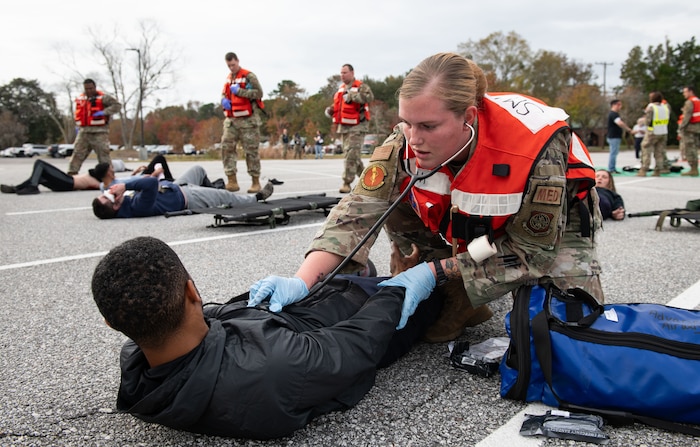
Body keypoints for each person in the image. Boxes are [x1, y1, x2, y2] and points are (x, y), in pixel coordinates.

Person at [249, 53, 604, 343]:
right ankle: (457, 294)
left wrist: (432, 273)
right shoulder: (404, 142)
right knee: (394, 202)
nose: (414, 139)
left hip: (549, 228)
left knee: (566, 337)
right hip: (477, 229)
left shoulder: (534, 150)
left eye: (428, 127)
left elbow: (532, 252)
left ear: (468, 118)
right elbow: (356, 212)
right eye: (407, 123)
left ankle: (454, 283)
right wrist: (302, 279)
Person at [91, 236, 441, 439]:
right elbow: (360, 341)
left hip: (312, 305)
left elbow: (210, 318)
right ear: (192, 291)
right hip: (359, 312)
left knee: (354, 267)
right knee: (438, 286)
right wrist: (407, 284)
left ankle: (373, 274)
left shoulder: (141, 366)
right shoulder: (275, 366)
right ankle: (399, 276)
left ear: (112, 323)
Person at [91, 166, 273, 219]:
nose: (112, 190)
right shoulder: (137, 207)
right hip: (188, 197)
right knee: (226, 197)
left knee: (198, 170)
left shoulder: (124, 202)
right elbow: (151, 184)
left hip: (178, 186)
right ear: (115, 205)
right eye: (109, 194)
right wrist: (125, 187)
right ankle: (256, 198)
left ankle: (212, 190)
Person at [219, 52, 265, 193]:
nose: (231, 68)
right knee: (226, 148)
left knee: (251, 151)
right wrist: (223, 100)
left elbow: (259, 93)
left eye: (233, 65)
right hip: (232, 120)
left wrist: (240, 92)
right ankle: (232, 181)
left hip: (248, 121)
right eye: (229, 66)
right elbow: (224, 93)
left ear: (237, 61)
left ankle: (255, 182)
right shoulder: (228, 78)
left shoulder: (249, 76)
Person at [325, 64, 374, 193]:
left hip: (358, 126)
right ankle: (370, 181)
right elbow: (338, 106)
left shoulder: (361, 86)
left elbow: (369, 97)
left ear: (352, 73)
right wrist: (331, 110)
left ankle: (346, 183)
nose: (342, 75)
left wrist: (352, 96)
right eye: (341, 73)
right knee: (352, 155)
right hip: (344, 127)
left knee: (351, 155)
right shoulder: (341, 89)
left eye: (345, 72)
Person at [67, 79, 121, 175]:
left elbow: (117, 105)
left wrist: (104, 112)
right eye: (86, 89)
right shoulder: (81, 98)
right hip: (84, 131)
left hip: (100, 132)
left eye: (91, 88)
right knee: (77, 153)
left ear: (95, 87)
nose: (89, 91)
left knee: (103, 155)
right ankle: (72, 174)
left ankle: (108, 175)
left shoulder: (104, 98)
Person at [1, 159, 110, 195]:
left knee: (40, 163)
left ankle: (33, 186)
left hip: (68, 183)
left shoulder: (97, 181)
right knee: (40, 176)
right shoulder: (93, 175)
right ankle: (16, 188)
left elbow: (104, 186)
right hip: (66, 182)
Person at [638, 91, 670, 177]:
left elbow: (648, 121)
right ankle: (658, 170)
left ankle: (644, 169)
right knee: (659, 152)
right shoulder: (665, 107)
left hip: (652, 132)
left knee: (646, 150)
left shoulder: (651, 107)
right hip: (663, 131)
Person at [606, 99, 633, 174]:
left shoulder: (614, 114)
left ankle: (612, 168)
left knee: (614, 153)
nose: (620, 106)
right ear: (614, 105)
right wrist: (628, 129)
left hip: (614, 136)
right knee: (613, 153)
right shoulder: (613, 114)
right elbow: (619, 123)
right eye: (618, 104)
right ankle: (611, 169)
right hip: (614, 136)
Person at [679, 85, 700, 176]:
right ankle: (694, 168)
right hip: (697, 127)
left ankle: (693, 168)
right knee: (694, 147)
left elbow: (687, 116)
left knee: (689, 148)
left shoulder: (689, 102)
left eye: (685, 92)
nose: (684, 94)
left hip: (690, 128)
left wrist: (681, 127)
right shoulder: (698, 100)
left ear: (690, 91)